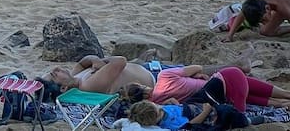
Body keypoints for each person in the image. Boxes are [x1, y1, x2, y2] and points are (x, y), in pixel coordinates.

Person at [121, 65, 290, 112]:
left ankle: (282, 104)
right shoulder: (165, 75)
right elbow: (197, 67)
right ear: (143, 85)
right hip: (225, 80)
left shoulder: (159, 103)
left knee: (267, 103)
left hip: (223, 90)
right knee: (281, 96)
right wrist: (195, 75)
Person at [49, 55, 155, 95]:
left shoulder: (75, 77)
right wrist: (101, 62)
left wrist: (95, 60)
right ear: (63, 88)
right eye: (54, 74)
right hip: (155, 75)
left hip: (143, 66)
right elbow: (120, 61)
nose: (56, 68)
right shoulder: (88, 85)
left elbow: (84, 61)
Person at [127, 100, 260, 131]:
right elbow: (192, 124)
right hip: (210, 118)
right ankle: (256, 119)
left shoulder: (161, 108)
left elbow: (175, 106)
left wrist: (174, 103)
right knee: (236, 117)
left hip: (201, 108)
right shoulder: (169, 123)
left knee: (227, 107)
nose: (161, 107)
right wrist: (205, 111)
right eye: (159, 109)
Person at [223, 0, 290, 42]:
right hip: (281, 1)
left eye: (263, 19)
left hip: (286, 2)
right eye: (261, 21)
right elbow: (243, 13)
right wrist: (230, 35)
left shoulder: (284, 8)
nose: (264, 23)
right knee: (266, 32)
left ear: (267, 8)